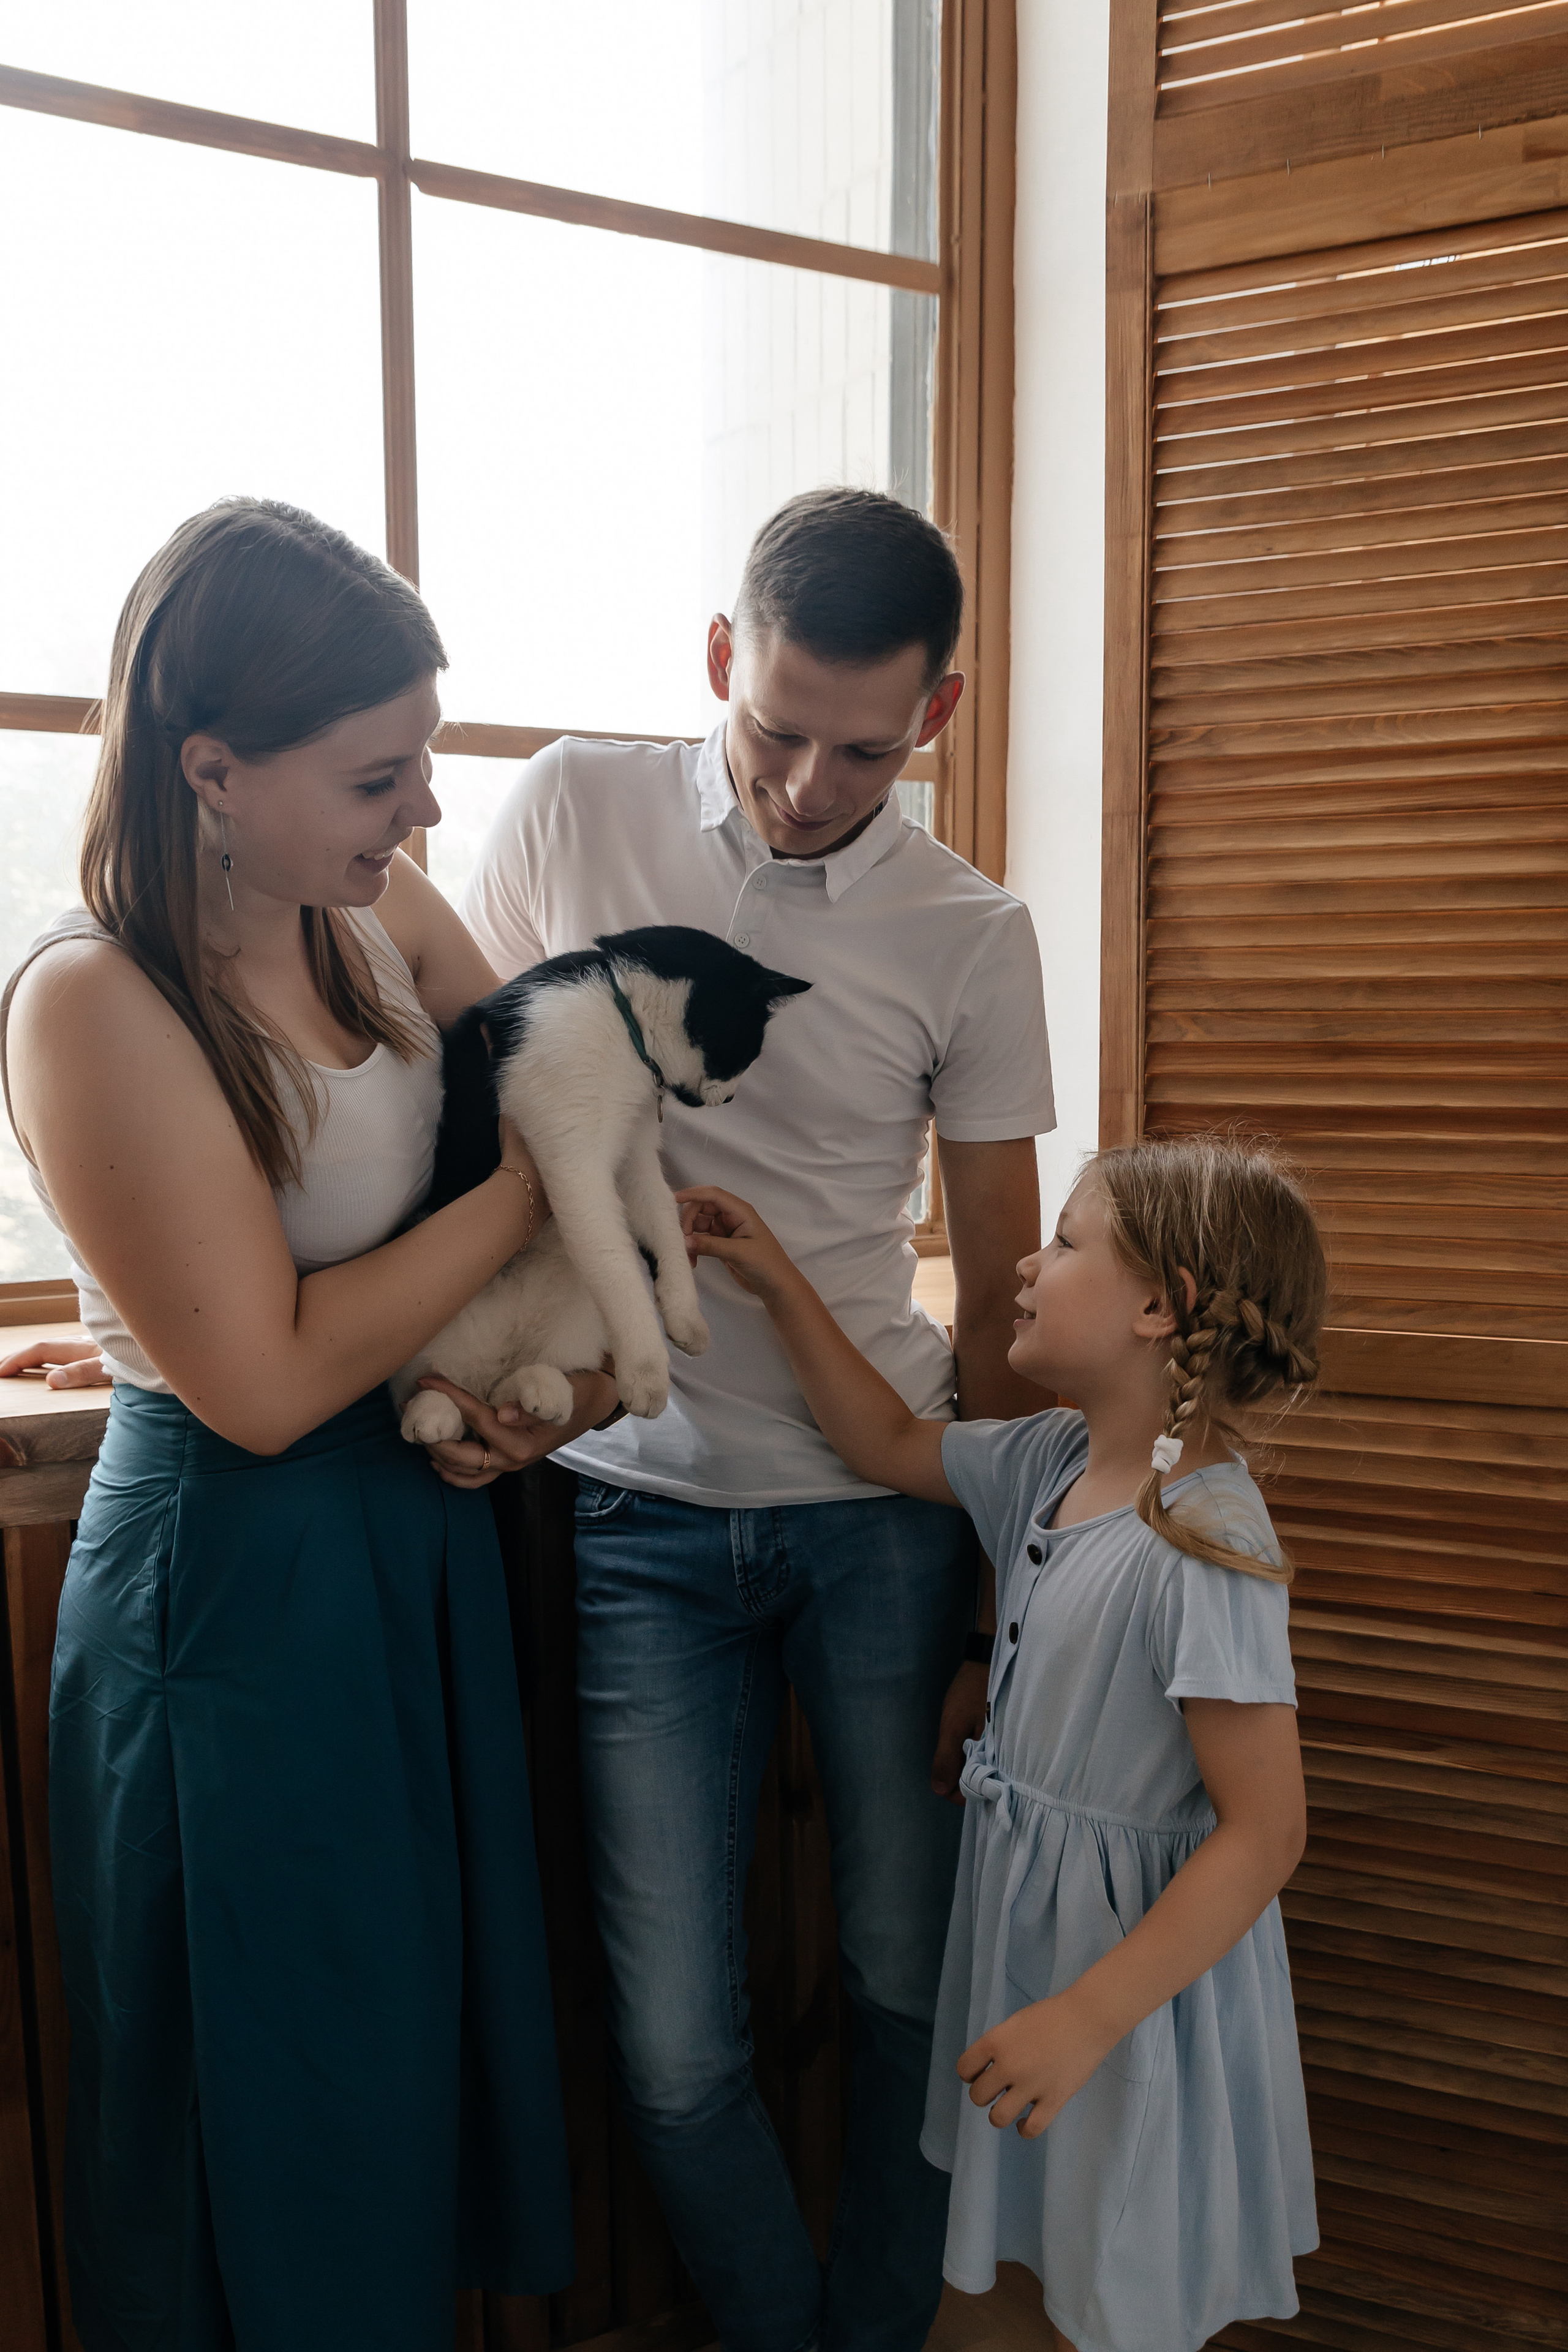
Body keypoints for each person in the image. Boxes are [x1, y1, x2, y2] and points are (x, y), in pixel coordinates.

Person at [444, 488, 1055, 2352]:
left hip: (887, 1516)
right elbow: (455, 1109)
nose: (804, 786)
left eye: (863, 750)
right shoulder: (569, 807)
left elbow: (1007, 1309)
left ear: (936, 714)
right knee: (671, 2049)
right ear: (722, 655)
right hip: (631, 1506)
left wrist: (999, 1621)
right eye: (777, 726)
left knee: (905, 1994)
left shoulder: (974, 931)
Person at [0, 499, 579, 2351]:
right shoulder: (93, 998)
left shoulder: (369, 908)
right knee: (273, 2096)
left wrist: (505, 1396)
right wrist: (529, 1199)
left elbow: (560, 1073)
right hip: (239, 1586)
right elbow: (257, 1382)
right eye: (379, 778)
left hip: (414, 1519)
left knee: (395, 2066)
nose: (425, 813)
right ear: (213, 771)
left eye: (425, 764)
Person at [680, 1134, 1323, 2352]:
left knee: (1110, 2287)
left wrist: (1086, 2017)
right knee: (1014, 2271)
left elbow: (1264, 1832)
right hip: (1030, 1959)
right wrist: (772, 1274)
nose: (1025, 1266)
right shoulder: (1046, 1461)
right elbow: (880, 1438)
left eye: (1064, 1243)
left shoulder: (1205, 1544)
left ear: (1159, 1307)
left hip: (1122, 1996)